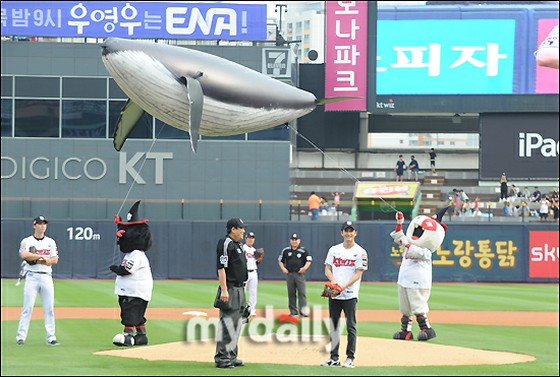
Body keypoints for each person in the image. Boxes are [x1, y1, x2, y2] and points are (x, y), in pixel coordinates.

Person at [390, 207, 449, 342]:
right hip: (404, 279)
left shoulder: (426, 251)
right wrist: (400, 222)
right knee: (405, 307)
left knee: (418, 306)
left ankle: (427, 328)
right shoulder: (408, 244)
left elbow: (411, 249)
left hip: (418, 282)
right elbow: (399, 237)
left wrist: (404, 241)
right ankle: (406, 331)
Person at [321, 221, 368, 368]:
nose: (348, 233)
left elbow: (358, 273)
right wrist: (334, 281)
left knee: (350, 326)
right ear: (341, 233)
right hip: (335, 293)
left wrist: (343, 286)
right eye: (346, 230)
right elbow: (327, 269)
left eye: (351, 230)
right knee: (334, 325)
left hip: (350, 294)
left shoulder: (360, 251)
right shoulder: (334, 250)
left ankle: (350, 358)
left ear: (355, 233)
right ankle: (334, 358)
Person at [110, 201, 154, 347]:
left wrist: (115, 269)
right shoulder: (132, 254)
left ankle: (128, 335)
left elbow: (127, 270)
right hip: (132, 291)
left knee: (129, 313)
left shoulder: (136, 254)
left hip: (134, 292)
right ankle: (141, 335)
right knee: (137, 315)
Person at [16, 215, 60, 346]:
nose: (42, 226)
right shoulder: (27, 241)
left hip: (46, 277)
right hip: (32, 276)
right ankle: (21, 337)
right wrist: (41, 256)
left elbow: (54, 260)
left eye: (44, 224)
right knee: (27, 308)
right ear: (34, 225)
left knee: (49, 308)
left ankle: (51, 337)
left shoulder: (50, 241)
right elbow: (24, 255)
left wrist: (39, 259)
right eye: (40, 224)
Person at [214, 218, 248, 368]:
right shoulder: (225, 243)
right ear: (233, 229)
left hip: (240, 288)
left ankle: (232, 355)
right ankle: (222, 357)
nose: (243, 231)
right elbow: (221, 267)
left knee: (237, 324)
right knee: (227, 322)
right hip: (231, 288)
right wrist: (224, 290)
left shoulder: (238, 245)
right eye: (241, 228)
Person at [278, 233, 312, 317]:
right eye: (293, 240)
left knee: (302, 293)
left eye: (296, 239)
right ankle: (293, 311)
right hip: (290, 274)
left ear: (299, 241)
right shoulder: (286, 250)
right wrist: (283, 268)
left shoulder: (304, 251)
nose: (294, 241)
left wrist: (304, 268)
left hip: (299, 274)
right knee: (291, 293)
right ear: (290, 241)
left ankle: (303, 311)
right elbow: (280, 260)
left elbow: (309, 260)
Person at [243, 231, 260, 317]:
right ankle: (241, 308)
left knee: (253, 292)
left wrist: (259, 259)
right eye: (249, 238)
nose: (251, 239)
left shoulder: (255, 250)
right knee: (243, 291)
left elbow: (256, 262)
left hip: (253, 272)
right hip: (244, 272)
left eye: (252, 238)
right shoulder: (242, 248)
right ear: (246, 238)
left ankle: (252, 309)